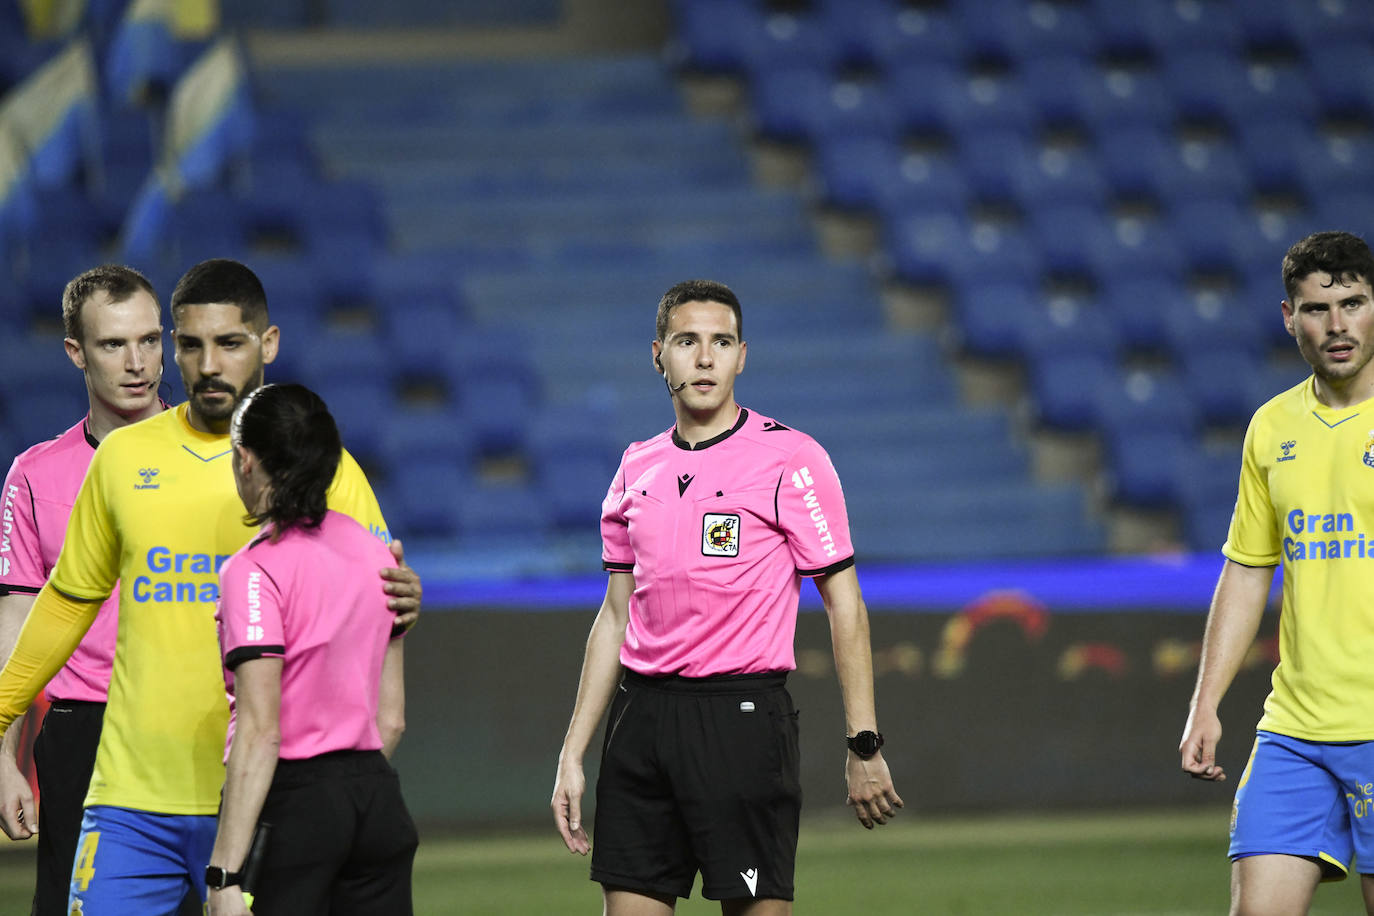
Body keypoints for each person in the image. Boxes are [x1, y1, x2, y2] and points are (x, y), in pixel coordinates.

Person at [0, 258, 421, 915]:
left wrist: (402, 612)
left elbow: (377, 602)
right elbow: (65, 605)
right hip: (132, 798)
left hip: (264, 798)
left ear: (268, 345)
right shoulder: (123, 459)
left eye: (229, 344)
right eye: (191, 345)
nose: (209, 365)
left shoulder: (327, 471)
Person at [551, 279, 902, 915]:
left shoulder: (791, 459)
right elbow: (614, 614)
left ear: (743, 355)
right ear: (659, 354)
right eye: (688, 341)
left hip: (740, 722)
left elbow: (845, 602)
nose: (705, 358)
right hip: (641, 724)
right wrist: (572, 754)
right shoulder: (636, 467)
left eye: (722, 342)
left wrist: (864, 743)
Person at [1179, 230, 1374, 914]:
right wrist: (1206, 701)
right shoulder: (1270, 428)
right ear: (1289, 317)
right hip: (1294, 729)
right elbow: (1245, 571)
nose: (1338, 324)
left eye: (1354, 303)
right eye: (1318, 309)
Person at [0, 265, 204, 916]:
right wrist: (4, 758)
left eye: (149, 340)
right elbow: (18, 623)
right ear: (75, 353)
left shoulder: (223, 458)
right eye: (114, 345)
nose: (138, 362)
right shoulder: (35, 476)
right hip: (80, 735)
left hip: (200, 724)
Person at [205, 383, 417, 915]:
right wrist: (348, 791)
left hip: (297, 809)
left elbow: (260, 730)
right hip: (378, 802)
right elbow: (391, 721)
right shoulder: (377, 552)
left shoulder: (252, 571)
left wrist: (224, 874)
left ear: (245, 460)